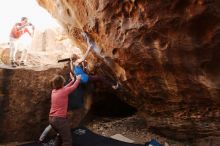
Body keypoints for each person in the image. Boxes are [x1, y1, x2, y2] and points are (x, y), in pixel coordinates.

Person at [49, 74, 81, 146]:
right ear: (62, 83)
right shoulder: (64, 91)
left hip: (51, 119)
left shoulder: (53, 91)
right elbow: (74, 87)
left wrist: (72, 81)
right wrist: (78, 79)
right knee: (67, 141)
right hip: (60, 120)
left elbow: (65, 88)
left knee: (60, 135)